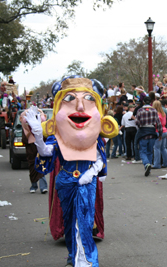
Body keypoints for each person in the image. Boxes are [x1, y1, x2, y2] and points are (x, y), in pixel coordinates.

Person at [25, 76, 118, 267]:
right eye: (69, 99)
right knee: (69, 222)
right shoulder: (58, 137)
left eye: (89, 99)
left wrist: (90, 174)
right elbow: (46, 153)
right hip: (65, 180)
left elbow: (100, 160)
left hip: (87, 180)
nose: (81, 107)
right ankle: (72, 255)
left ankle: (88, 261)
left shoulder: (95, 138)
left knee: (83, 221)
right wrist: (38, 135)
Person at [20, 109, 48, 194]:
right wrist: (29, 132)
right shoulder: (25, 129)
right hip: (31, 150)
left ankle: (43, 187)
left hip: (40, 149)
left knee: (41, 166)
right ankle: (33, 185)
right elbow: (24, 140)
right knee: (32, 168)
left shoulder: (42, 127)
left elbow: (46, 138)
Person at [135, 96, 163, 176]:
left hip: (143, 132)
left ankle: (146, 164)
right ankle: (149, 165)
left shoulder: (140, 110)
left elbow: (137, 122)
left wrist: (140, 126)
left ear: (143, 102)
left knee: (142, 151)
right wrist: (160, 134)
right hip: (152, 132)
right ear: (151, 102)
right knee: (150, 151)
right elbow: (159, 123)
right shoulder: (154, 110)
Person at [152, 101, 167, 169]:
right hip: (164, 130)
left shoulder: (156, 114)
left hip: (158, 131)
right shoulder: (163, 113)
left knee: (156, 148)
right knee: (163, 148)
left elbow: (156, 124)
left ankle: (157, 164)